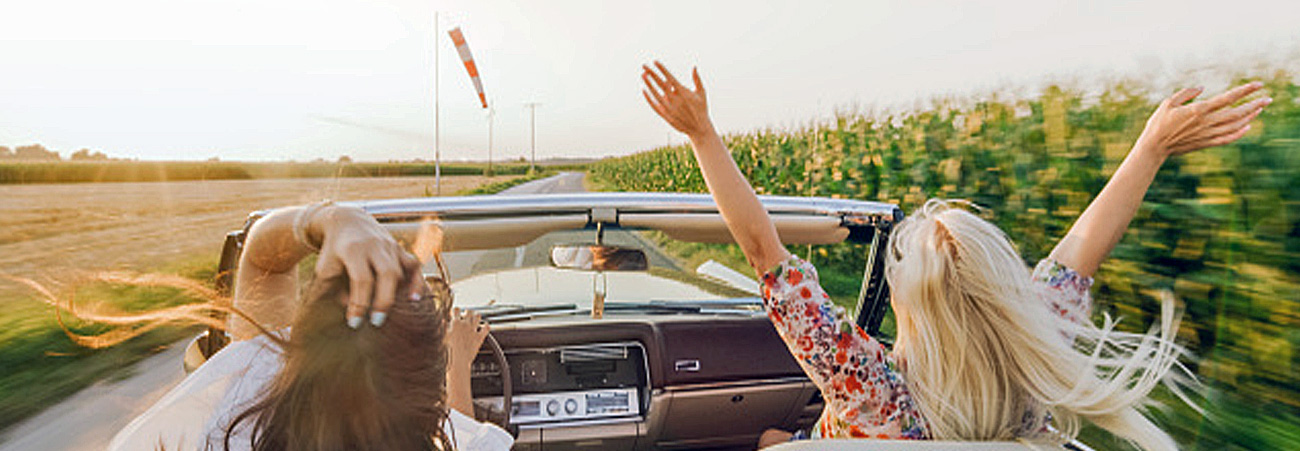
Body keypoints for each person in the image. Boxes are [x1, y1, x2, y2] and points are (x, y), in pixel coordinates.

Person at [640, 61, 1269, 450]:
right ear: (1008, 294)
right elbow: (1081, 253)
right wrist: (1151, 148)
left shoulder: (868, 388)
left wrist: (699, 133)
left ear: (910, 308)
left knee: (772, 440)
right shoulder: (1033, 359)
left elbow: (760, 248)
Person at [108, 202, 514, 450]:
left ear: (296, 355)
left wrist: (332, 217)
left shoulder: (235, 426)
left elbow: (264, 260)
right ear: (431, 403)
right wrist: (457, 367)